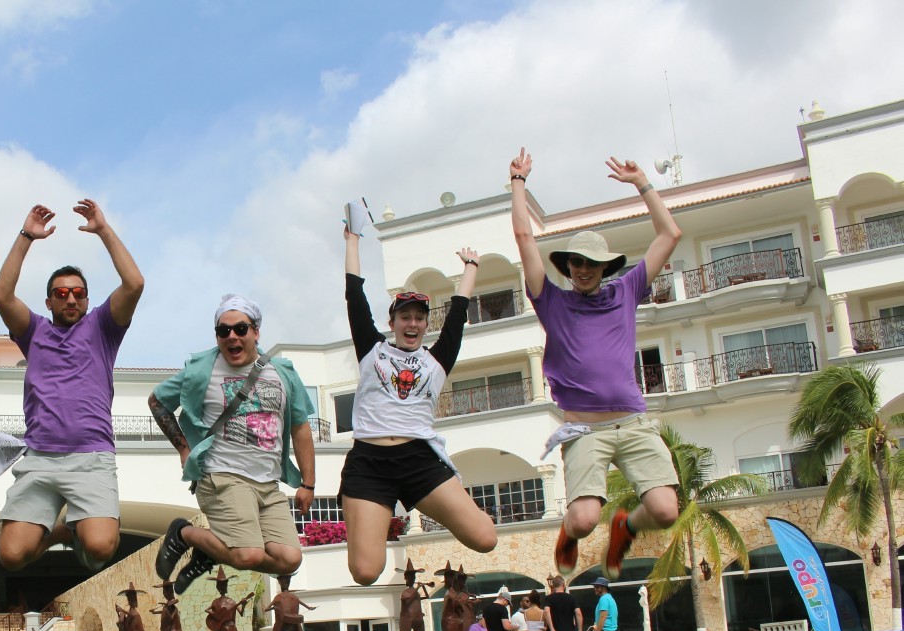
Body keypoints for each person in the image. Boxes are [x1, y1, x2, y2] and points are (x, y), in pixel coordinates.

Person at [510, 148, 681, 581]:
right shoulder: (551, 301)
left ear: (605, 267)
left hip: (634, 423)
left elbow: (670, 234)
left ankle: (626, 525)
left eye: (592, 264)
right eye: (577, 262)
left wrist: (643, 184)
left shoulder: (626, 290)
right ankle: (568, 531)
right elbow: (525, 240)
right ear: (567, 266)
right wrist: (518, 184)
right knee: (584, 519)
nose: (584, 270)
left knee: (664, 510)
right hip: (585, 429)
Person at [0, 200, 145, 574]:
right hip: (40, 458)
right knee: (11, 556)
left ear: (88, 300)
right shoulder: (34, 331)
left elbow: (135, 283)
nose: (71, 298)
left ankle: (73, 532)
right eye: (61, 294)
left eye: (77, 292)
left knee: (99, 548)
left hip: (91, 458)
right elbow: (1, 295)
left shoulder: (103, 328)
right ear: (48, 301)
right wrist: (27, 236)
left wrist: (103, 230)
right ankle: (60, 529)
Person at [339, 227, 496, 587]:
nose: (412, 324)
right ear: (392, 323)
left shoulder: (436, 361)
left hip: (419, 461)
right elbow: (354, 297)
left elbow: (457, 316)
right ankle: (361, 513)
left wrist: (470, 268)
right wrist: (352, 241)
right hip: (370, 464)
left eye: (419, 318)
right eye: (405, 317)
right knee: (365, 573)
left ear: (426, 324)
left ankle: (467, 510)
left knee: (486, 540)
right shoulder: (372, 350)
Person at [149, 294, 316, 592]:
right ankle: (184, 534)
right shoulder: (203, 369)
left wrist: (309, 483)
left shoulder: (282, 373)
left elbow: (301, 427)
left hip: (267, 483)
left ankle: (208, 550)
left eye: (240, 329)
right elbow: (157, 400)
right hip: (222, 475)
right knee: (247, 554)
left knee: (289, 559)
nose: (232, 337)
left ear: (256, 331)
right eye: (223, 331)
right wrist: (184, 448)